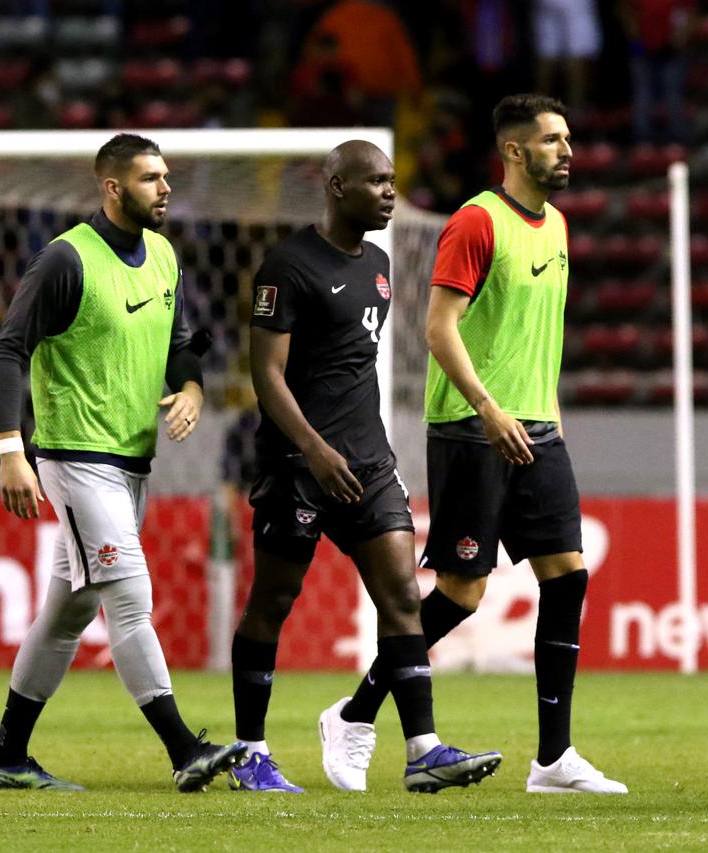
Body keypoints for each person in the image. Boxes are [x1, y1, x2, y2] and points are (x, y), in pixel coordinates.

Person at [342, 93, 628, 794]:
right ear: (514, 151)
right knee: (461, 595)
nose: (567, 150)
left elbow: (541, 339)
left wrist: (548, 413)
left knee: (568, 576)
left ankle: (553, 759)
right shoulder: (477, 221)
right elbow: (439, 328)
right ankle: (353, 712)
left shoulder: (557, 226)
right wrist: (488, 407)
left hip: (537, 428)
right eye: (553, 140)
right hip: (473, 430)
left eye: (568, 137)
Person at [228, 141, 501, 794]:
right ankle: (250, 750)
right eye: (375, 181)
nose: (388, 190)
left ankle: (423, 748)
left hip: (370, 462)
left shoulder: (378, 264)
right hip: (299, 463)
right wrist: (315, 450)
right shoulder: (287, 267)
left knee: (404, 594)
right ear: (335, 186)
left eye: (391, 180)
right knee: (274, 601)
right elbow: (265, 374)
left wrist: (351, 449)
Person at [0, 133, 244, 792]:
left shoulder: (163, 255)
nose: (166, 188)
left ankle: (7, 754)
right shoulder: (67, 259)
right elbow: (7, 350)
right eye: (152, 177)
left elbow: (186, 342)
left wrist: (190, 387)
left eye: (166, 176)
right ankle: (184, 747)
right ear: (112, 187)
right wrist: (12, 449)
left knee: (67, 612)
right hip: (73, 458)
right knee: (130, 598)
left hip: (130, 463)